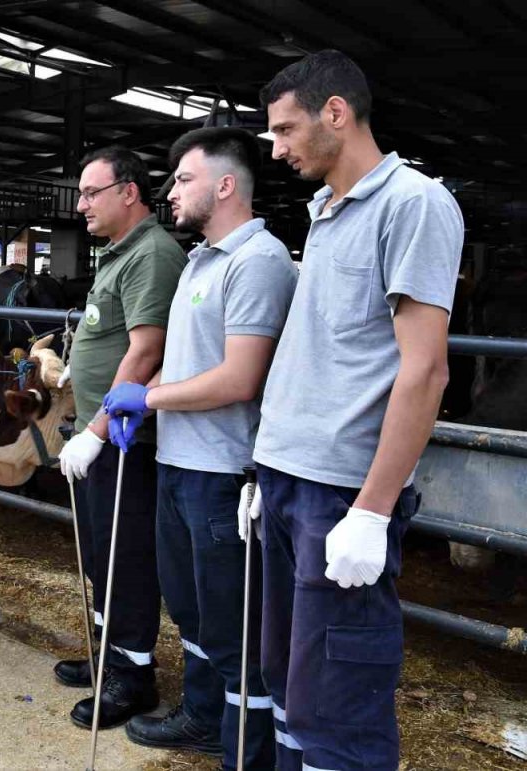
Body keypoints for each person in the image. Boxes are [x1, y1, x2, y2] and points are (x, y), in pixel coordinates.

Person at [251, 51, 463, 770]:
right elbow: (323, 350)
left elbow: (425, 367)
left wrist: (372, 510)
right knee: (288, 681)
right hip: (289, 479)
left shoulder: (413, 203)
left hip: (339, 493)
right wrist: (269, 462)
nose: (276, 149)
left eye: (285, 130)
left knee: (339, 697)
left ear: (335, 113)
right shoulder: (326, 210)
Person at [102, 128, 297, 768]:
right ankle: (203, 714)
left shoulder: (258, 261)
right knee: (190, 605)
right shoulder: (198, 261)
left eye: (183, 179)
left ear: (224, 185)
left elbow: (240, 378)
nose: (171, 192)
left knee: (233, 618)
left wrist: (148, 402)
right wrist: (135, 395)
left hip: (223, 473)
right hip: (179, 463)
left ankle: (244, 744)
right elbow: (182, 362)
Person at [55, 147, 187, 730]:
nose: (81, 205)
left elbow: (147, 350)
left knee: (125, 555)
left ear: (128, 192)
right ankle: (109, 658)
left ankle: (133, 677)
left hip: (127, 440)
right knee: (100, 554)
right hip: (100, 433)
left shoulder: (152, 254)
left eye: (90, 192)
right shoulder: (116, 255)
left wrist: (96, 430)